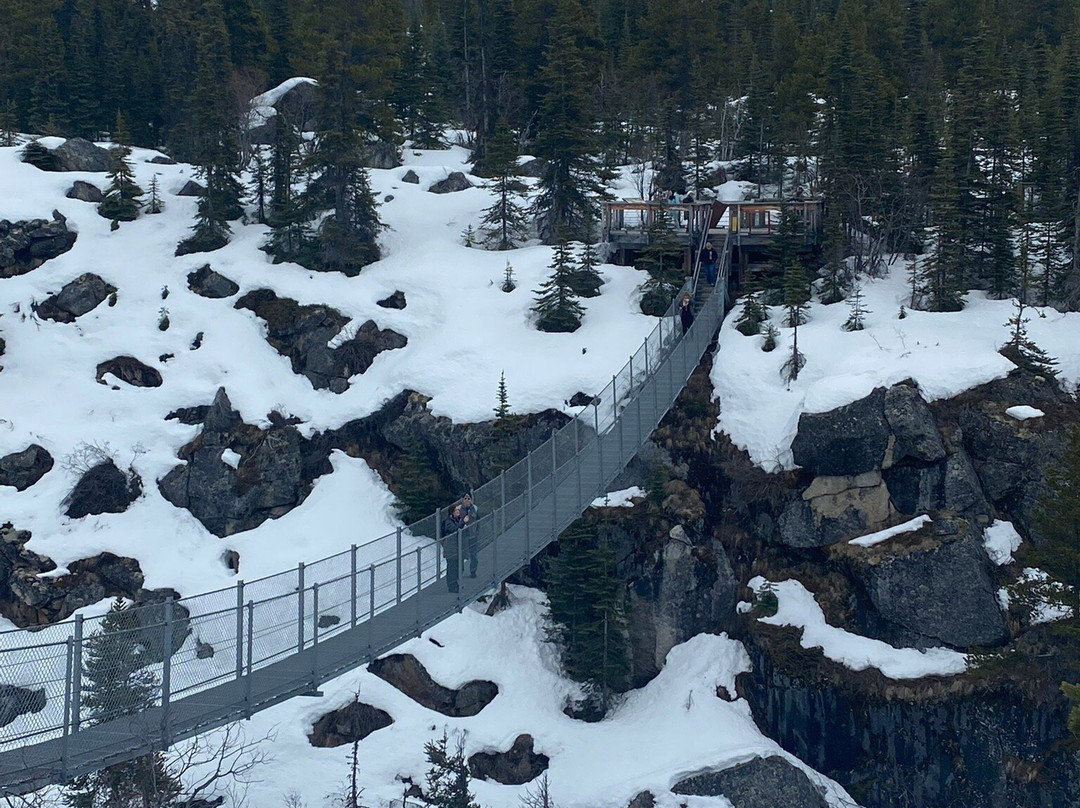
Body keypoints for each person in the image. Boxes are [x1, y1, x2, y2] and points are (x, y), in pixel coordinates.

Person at [441, 505, 463, 593]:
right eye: (456, 510)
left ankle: (455, 584)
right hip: (451, 549)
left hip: (456, 549)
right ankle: (452, 586)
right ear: (452, 512)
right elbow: (454, 529)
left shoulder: (457, 520)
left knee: (458, 567)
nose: (458, 512)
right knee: (452, 568)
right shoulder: (448, 521)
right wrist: (462, 524)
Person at [460, 493, 478, 578]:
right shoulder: (459, 510)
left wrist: (476, 531)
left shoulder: (475, 509)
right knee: (461, 555)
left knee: (473, 555)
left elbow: (479, 520)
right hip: (463, 537)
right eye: (465, 498)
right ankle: (460, 572)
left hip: (472, 535)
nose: (467, 500)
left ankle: (473, 571)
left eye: (469, 498)